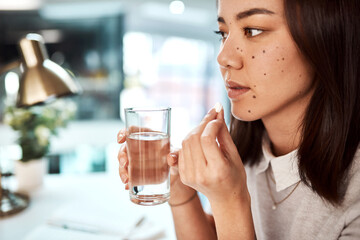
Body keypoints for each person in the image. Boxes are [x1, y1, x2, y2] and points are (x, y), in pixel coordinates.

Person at [117, 0, 360, 238]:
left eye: (253, 30)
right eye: (222, 32)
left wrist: (230, 201)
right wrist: (181, 192)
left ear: (326, 37)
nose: (223, 57)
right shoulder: (245, 150)